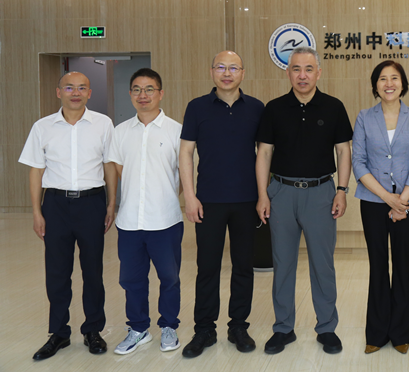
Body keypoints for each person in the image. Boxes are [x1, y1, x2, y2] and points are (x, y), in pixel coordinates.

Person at [256, 46, 353, 355]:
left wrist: (342, 190)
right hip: (281, 193)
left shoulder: (334, 107)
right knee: (283, 263)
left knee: (322, 265)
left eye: (308, 69)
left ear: (318, 73)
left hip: (321, 193)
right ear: (288, 72)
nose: (302, 75)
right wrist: (263, 194)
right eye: (296, 69)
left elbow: (344, 150)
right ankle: (283, 328)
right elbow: (264, 153)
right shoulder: (274, 108)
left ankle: (327, 327)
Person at [19, 72, 117, 360]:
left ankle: (92, 330)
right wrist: (37, 211)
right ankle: (59, 333)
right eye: (70, 87)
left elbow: (109, 165)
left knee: (93, 271)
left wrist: (111, 204)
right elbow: (36, 170)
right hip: (56, 205)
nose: (76, 92)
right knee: (57, 272)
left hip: (92, 203)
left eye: (82, 88)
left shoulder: (103, 124)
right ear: (58, 91)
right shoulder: (42, 127)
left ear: (89, 93)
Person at [179, 51, 264, 358]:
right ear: (211, 71)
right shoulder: (197, 107)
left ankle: (238, 326)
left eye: (233, 68)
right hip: (208, 201)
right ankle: (204, 329)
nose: (227, 73)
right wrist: (190, 196)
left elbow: (264, 154)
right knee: (207, 267)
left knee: (243, 266)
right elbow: (185, 153)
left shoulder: (256, 108)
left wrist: (263, 196)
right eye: (221, 67)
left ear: (243, 72)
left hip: (247, 200)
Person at [351, 61, 409, 355]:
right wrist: (388, 198)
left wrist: (401, 201)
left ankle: (400, 333)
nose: (389, 83)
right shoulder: (364, 117)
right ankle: (376, 332)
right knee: (378, 264)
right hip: (373, 201)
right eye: (382, 79)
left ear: (403, 83)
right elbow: (359, 163)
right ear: (375, 85)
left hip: (407, 202)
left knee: (402, 265)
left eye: (394, 78)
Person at [108, 68, 183, 355]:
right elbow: (118, 170)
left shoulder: (176, 130)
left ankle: (169, 326)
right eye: (137, 90)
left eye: (149, 89)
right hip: (130, 222)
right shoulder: (120, 131)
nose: (143, 95)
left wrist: (163, 196)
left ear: (161, 93)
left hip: (165, 220)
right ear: (130, 94)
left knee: (169, 278)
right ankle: (138, 328)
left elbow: (182, 175)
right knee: (131, 280)